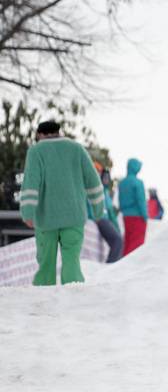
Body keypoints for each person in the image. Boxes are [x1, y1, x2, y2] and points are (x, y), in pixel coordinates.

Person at [18, 121, 105, 285]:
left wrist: (27, 212)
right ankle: (73, 298)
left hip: (46, 220)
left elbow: (31, 184)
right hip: (74, 217)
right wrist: (98, 210)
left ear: (39, 134)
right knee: (72, 262)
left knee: (46, 264)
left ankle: (44, 299)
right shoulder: (77, 149)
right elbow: (93, 182)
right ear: (59, 131)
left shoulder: (36, 151)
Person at [89, 165, 123, 263]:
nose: (106, 180)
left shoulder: (106, 192)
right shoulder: (93, 189)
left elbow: (111, 212)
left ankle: (115, 266)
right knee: (117, 241)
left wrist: (117, 228)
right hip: (100, 218)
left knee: (119, 240)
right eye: (104, 177)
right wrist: (94, 216)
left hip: (106, 219)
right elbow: (88, 204)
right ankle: (110, 266)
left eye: (108, 178)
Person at [118, 158, 148, 255]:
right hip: (137, 217)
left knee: (128, 241)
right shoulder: (138, 183)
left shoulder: (122, 183)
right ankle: (131, 267)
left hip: (126, 217)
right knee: (136, 245)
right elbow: (141, 201)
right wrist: (145, 216)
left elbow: (120, 200)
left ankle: (124, 263)